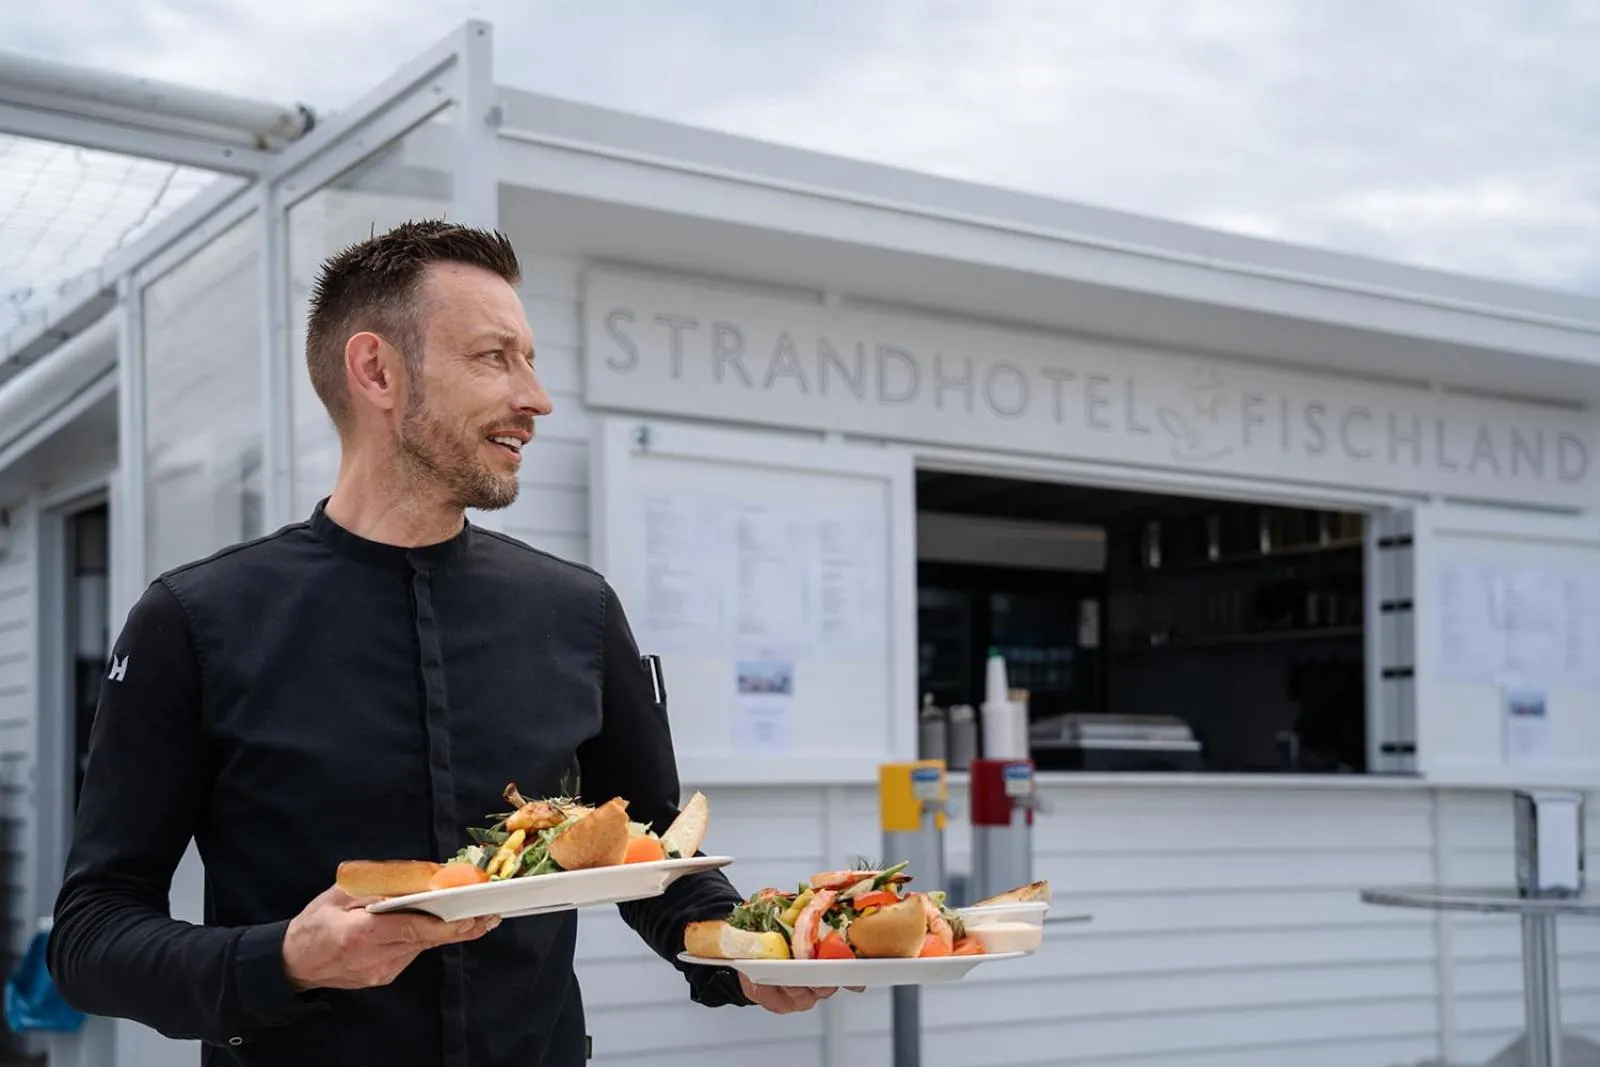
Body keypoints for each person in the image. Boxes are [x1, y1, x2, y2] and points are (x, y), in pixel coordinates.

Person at [48, 220, 837, 1066]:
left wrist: (749, 956)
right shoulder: (193, 621)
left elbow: (660, 857)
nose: (536, 398)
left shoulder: (580, 610)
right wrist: (282, 959)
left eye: (530, 358)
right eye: (496, 357)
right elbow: (93, 935)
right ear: (377, 371)